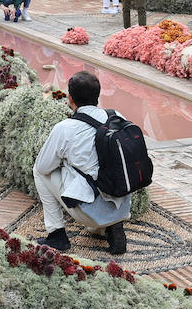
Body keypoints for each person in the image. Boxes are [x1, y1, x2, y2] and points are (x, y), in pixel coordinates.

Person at [34, 71, 133, 256]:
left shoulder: (65, 128)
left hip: (89, 213)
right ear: (98, 95)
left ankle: (56, 235)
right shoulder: (116, 117)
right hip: (122, 205)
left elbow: (43, 167)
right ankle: (113, 226)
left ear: (70, 98)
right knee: (98, 170)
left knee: (39, 171)